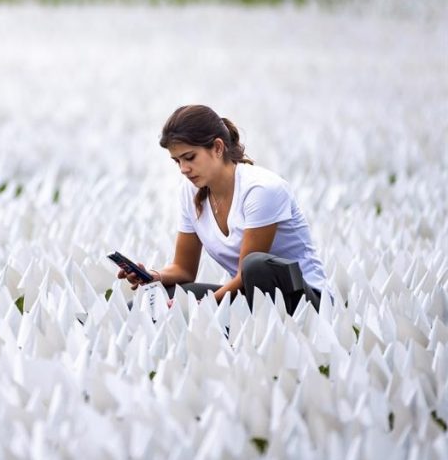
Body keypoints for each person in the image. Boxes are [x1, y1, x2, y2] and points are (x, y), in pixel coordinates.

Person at [118, 104, 327, 315]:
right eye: (177, 161)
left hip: (304, 302)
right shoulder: (190, 192)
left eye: (190, 158)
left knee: (256, 265)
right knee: (159, 298)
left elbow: (246, 277)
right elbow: (183, 269)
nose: (183, 169)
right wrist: (154, 276)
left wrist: (198, 307)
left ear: (218, 148)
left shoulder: (262, 189)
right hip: (247, 299)